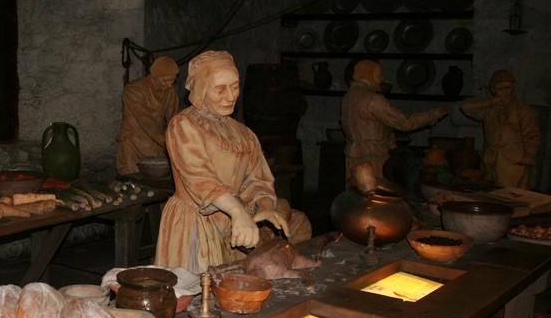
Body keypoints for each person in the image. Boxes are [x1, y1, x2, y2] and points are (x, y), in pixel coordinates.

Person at [154, 50, 311, 274]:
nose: (230, 96)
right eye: (220, 89)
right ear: (201, 89)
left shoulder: (243, 133)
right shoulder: (183, 126)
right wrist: (237, 212)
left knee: (234, 285)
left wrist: (265, 207)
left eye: (235, 87)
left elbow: (256, 178)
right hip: (195, 222)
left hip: (235, 220)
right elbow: (201, 178)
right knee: (199, 290)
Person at [341, 59, 448, 183]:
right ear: (368, 74)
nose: (382, 79)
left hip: (354, 157)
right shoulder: (372, 99)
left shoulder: (349, 97)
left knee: (356, 196)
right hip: (373, 159)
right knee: (376, 196)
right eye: (378, 75)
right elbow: (405, 123)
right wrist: (433, 115)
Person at [460, 70, 540, 189]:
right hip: (491, 155)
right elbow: (464, 106)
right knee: (489, 191)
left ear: (513, 87)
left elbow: (531, 133)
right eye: (500, 89)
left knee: (511, 194)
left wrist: (529, 153)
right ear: (493, 90)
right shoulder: (488, 109)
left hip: (512, 158)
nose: (505, 92)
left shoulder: (521, 108)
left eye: (508, 88)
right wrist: (492, 101)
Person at [116, 56, 180, 176]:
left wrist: (180, 138)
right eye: (165, 80)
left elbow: (175, 118)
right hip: (133, 145)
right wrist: (165, 141)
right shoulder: (133, 90)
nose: (169, 84)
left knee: (155, 185)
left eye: (172, 80)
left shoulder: (169, 91)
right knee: (132, 181)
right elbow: (145, 119)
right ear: (154, 76)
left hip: (155, 145)